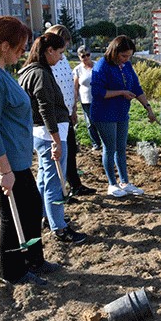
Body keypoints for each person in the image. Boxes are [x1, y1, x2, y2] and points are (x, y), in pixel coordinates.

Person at [0, 15, 58, 285]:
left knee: (31, 206)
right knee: (13, 213)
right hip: (0, 159)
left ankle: (34, 261)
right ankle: (14, 272)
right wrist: (4, 171)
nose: (23, 52)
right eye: (20, 46)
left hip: (13, 157)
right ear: (4, 45)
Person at [18, 33, 87, 244]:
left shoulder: (28, 71)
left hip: (42, 133)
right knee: (55, 182)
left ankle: (45, 216)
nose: (60, 58)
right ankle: (60, 228)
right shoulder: (39, 73)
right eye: (59, 53)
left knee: (44, 179)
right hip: (49, 135)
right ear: (49, 51)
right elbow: (45, 108)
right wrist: (56, 140)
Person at [90, 35, 156, 197]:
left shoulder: (126, 66)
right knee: (109, 148)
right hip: (104, 113)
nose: (126, 59)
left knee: (121, 148)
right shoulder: (102, 65)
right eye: (124, 56)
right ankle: (112, 184)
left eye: (129, 56)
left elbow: (137, 87)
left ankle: (125, 182)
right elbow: (98, 92)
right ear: (114, 52)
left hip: (121, 112)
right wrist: (121, 92)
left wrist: (148, 107)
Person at [45, 25, 96, 197]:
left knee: (71, 151)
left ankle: (75, 185)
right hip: (56, 115)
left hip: (66, 112)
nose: (65, 47)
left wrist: (73, 108)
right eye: (63, 43)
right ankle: (62, 190)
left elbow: (69, 85)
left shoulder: (63, 59)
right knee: (61, 155)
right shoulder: (47, 63)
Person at [73, 45, 102, 151]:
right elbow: (75, 87)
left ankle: (105, 141)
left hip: (99, 99)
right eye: (83, 56)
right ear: (79, 57)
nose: (85, 58)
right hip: (86, 100)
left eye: (87, 55)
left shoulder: (97, 66)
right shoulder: (78, 69)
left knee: (101, 121)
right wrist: (75, 102)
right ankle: (96, 143)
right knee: (90, 123)